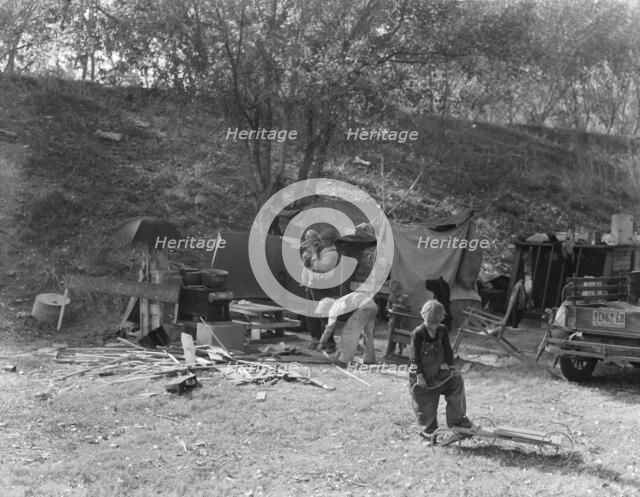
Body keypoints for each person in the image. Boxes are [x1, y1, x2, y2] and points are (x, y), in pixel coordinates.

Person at [409, 300, 473, 441]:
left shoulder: (442, 330)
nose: (433, 327)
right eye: (430, 324)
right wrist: (419, 376)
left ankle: (457, 421)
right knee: (426, 405)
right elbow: (414, 358)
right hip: (421, 376)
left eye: (436, 324)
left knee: (457, 381)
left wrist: (451, 368)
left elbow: (448, 352)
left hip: (437, 374)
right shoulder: (418, 333)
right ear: (424, 318)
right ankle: (430, 434)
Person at [315, 291, 378, 366]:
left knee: (348, 333)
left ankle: (344, 360)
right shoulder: (340, 302)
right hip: (372, 305)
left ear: (326, 307)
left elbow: (329, 328)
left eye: (323, 312)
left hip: (363, 306)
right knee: (368, 334)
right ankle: (370, 359)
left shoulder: (334, 307)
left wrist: (321, 342)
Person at [305, 228, 340, 349]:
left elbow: (320, 267)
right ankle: (315, 338)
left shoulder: (332, 254)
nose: (320, 242)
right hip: (313, 285)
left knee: (324, 314)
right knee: (310, 313)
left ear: (329, 241)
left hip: (323, 288)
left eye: (322, 240)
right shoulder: (323, 251)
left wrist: (314, 253)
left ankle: (329, 342)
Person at [386, 280, 411, 356]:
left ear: (400, 290)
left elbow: (409, 308)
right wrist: (390, 310)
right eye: (393, 292)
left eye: (396, 292)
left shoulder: (405, 298)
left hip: (402, 321)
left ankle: (401, 351)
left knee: (401, 337)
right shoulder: (391, 297)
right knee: (392, 336)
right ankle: (390, 351)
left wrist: (400, 306)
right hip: (393, 320)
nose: (394, 294)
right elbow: (387, 307)